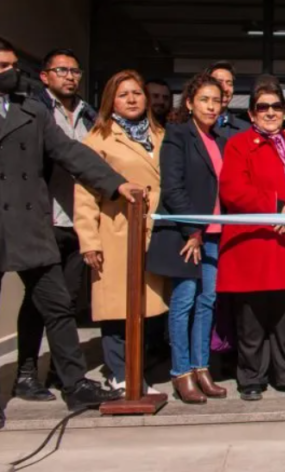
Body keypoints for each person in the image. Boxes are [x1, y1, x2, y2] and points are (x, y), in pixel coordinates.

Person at [0, 39, 135, 418]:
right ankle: (26, 375)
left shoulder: (32, 110)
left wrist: (116, 182)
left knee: (58, 305)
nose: (11, 72)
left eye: (13, 65)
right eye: (2, 66)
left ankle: (74, 384)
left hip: (32, 224)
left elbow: (71, 152)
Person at [217, 80, 285, 401]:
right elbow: (233, 190)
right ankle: (251, 377)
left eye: (276, 106)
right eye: (263, 107)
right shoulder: (238, 144)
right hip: (252, 243)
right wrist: (276, 208)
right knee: (252, 320)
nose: (270, 112)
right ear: (252, 114)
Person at [74, 70, 168, 395]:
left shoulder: (160, 134)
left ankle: (136, 371)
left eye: (137, 93)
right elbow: (85, 196)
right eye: (123, 94)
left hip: (154, 232)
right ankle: (120, 374)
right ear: (111, 100)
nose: (132, 99)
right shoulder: (98, 138)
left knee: (144, 309)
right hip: (116, 233)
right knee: (116, 309)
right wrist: (89, 241)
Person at [17, 48, 96, 396]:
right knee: (39, 299)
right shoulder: (33, 111)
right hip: (41, 220)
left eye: (75, 71)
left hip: (76, 222)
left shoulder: (89, 115)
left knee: (67, 300)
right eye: (62, 70)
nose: (70, 76)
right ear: (44, 76)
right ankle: (26, 370)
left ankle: (61, 372)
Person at [147, 73, 229, 404]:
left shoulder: (221, 139)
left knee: (207, 301)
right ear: (191, 103)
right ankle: (181, 372)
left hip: (215, 234)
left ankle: (201, 368)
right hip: (188, 235)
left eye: (217, 100)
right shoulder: (177, 136)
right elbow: (173, 188)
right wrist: (192, 230)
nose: (211, 106)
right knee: (183, 302)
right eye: (205, 100)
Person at [206, 61, 250, 138]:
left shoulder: (245, 130)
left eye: (229, 83)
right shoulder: (192, 125)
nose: (225, 88)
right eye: (219, 82)